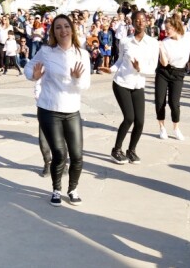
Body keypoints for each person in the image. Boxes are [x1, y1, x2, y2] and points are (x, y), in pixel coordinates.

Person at [24, 14, 91, 207]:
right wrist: (33, 75)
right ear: (53, 31)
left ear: (72, 29)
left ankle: (73, 189)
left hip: (72, 110)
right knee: (60, 154)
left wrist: (77, 78)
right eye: (58, 27)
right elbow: (29, 67)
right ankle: (56, 189)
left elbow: (85, 85)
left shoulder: (82, 54)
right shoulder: (46, 51)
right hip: (49, 108)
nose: (63, 30)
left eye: (66, 26)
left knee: (77, 155)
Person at [100, 11, 159, 164]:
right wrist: (111, 69)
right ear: (132, 23)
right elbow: (119, 61)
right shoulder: (125, 41)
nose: (140, 22)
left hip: (138, 84)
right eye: (137, 20)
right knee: (129, 118)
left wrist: (140, 68)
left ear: (147, 22)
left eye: (143, 20)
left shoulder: (152, 43)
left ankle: (131, 150)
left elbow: (153, 68)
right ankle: (116, 150)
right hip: (122, 83)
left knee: (140, 121)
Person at [155, 15, 190, 141]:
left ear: (176, 27)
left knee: (174, 103)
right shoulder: (164, 42)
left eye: (168, 28)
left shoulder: (189, 37)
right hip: (163, 71)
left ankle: (176, 128)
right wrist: (161, 50)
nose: (166, 31)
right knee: (160, 101)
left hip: (178, 73)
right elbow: (164, 63)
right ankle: (162, 128)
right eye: (165, 29)